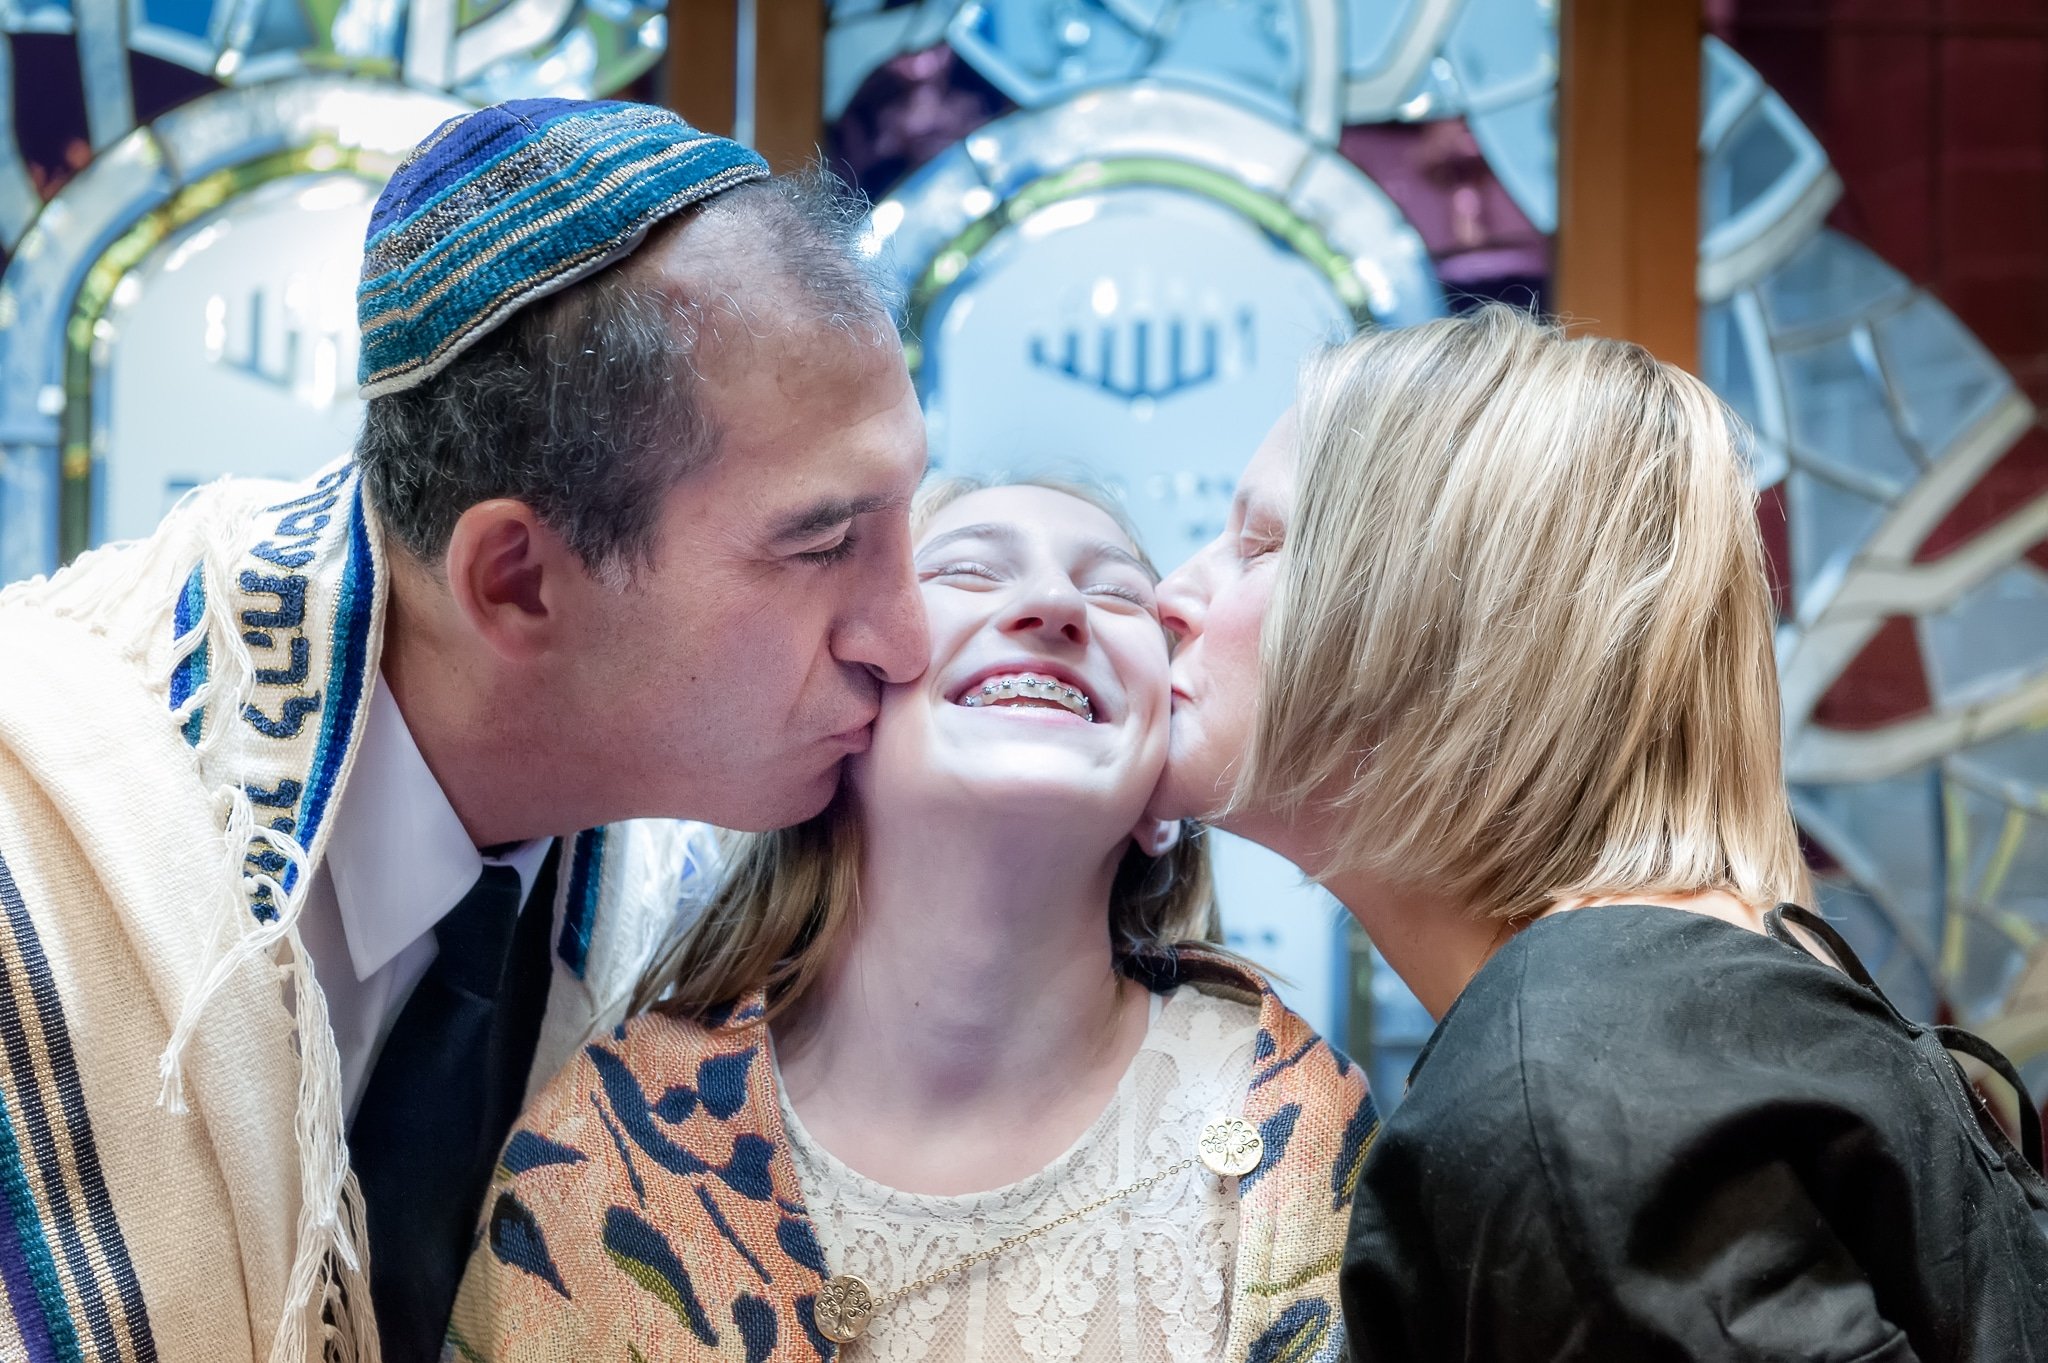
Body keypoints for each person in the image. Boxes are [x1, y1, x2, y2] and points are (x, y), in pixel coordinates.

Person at [0, 98, 927, 1363]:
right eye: (822, 543)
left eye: (907, 519)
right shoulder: (36, 840)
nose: (908, 637)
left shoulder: (711, 888)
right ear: (515, 582)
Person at [1150, 304, 2048, 1360]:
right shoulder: (1683, 1008)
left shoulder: (1577, 1089)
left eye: (1258, 542)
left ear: (1444, 622)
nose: (1171, 595)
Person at [446, 477, 1374, 1362]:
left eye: (1119, 594)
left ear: (1157, 796)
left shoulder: (1291, 1119)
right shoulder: (616, 1141)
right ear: (837, 726)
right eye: (968, 571)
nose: (1055, 604)